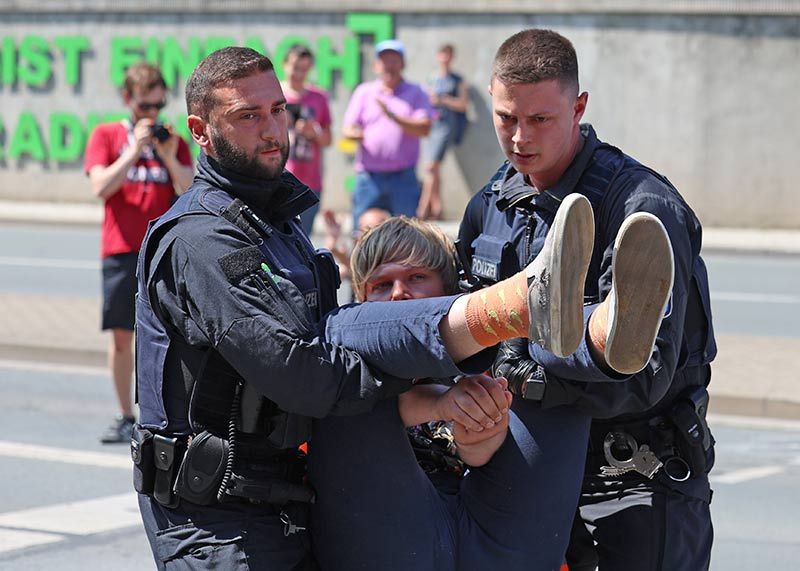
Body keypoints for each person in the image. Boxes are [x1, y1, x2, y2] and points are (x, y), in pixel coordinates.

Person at [133, 46, 599, 570]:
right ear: (200, 131)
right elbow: (302, 375)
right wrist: (425, 395)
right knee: (344, 332)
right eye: (247, 116)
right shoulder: (202, 240)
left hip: (286, 512)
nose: (270, 129)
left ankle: (596, 329)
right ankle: (512, 305)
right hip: (220, 526)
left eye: (277, 111)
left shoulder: (275, 228)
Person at [459, 29, 717, 570]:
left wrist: (522, 369)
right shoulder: (493, 201)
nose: (520, 137)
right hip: (530, 481)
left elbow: (647, 375)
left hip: (634, 482)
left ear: (578, 107)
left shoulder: (642, 209)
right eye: (506, 118)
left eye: (540, 120)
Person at [84, 61, 193, 444]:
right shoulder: (107, 135)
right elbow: (101, 186)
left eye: (158, 105)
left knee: (168, 335)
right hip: (120, 249)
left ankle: (165, 414)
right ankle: (124, 414)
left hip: (162, 251)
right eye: (145, 106)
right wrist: (134, 151)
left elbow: (189, 190)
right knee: (120, 337)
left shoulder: (173, 140)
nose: (153, 114)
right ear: (128, 100)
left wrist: (165, 155)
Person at [342, 39, 433, 226]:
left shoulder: (416, 92)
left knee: (406, 235)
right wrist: (356, 134)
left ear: (403, 64)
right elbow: (347, 128)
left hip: (403, 178)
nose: (389, 66)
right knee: (361, 235)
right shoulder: (364, 92)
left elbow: (424, 128)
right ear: (376, 65)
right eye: (384, 61)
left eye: (394, 60)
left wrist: (393, 116)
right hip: (368, 177)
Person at [280, 44, 332, 234]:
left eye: (304, 69)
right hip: (279, 178)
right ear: (284, 65)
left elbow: (328, 140)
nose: (299, 74)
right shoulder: (274, 95)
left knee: (304, 238)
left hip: (310, 181)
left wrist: (314, 133)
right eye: (295, 67)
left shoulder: (319, 97)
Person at [418, 44, 470, 221]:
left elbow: (463, 105)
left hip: (447, 127)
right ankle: (437, 208)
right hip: (433, 126)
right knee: (434, 169)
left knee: (430, 167)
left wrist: (443, 99)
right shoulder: (432, 78)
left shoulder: (457, 80)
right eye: (442, 54)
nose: (444, 58)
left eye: (448, 54)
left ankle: (422, 209)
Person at [321, 206, 390, 282]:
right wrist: (332, 241)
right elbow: (326, 277)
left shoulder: (392, 265)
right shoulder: (354, 267)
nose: (359, 238)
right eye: (359, 231)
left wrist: (333, 246)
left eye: (367, 233)